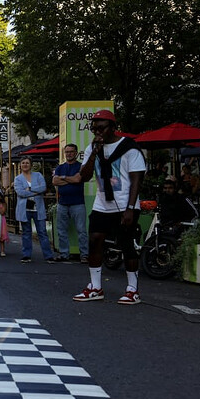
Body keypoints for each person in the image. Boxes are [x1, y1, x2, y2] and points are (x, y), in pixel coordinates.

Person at [73, 109, 146, 305]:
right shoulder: (92, 148)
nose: (98, 132)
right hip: (102, 203)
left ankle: (132, 290)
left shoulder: (129, 148)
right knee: (95, 240)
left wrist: (130, 207)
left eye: (102, 128)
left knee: (126, 245)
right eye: (94, 129)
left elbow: (137, 180)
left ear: (113, 127)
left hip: (125, 204)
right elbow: (84, 176)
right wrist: (93, 153)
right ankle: (95, 287)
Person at [14, 156, 56, 263]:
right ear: (20, 165)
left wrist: (30, 189)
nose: (25, 165)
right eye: (23, 163)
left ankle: (48, 255)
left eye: (27, 163)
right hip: (25, 209)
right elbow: (20, 193)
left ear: (31, 164)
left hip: (38, 208)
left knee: (42, 232)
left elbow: (43, 188)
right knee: (26, 233)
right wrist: (36, 192)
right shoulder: (18, 178)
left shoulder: (38, 175)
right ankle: (26, 255)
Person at [52, 143, 89, 263]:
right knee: (61, 230)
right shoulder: (60, 167)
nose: (69, 154)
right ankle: (64, 254)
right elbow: (55, 181)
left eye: (71, 151)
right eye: (67, 152)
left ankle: (84, 255)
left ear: (76, 153)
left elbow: (78, 179)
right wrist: (70, 179)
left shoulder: (81, 166)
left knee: (81, 231)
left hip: (78, 203)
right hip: (62, 203)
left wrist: (63, 178)